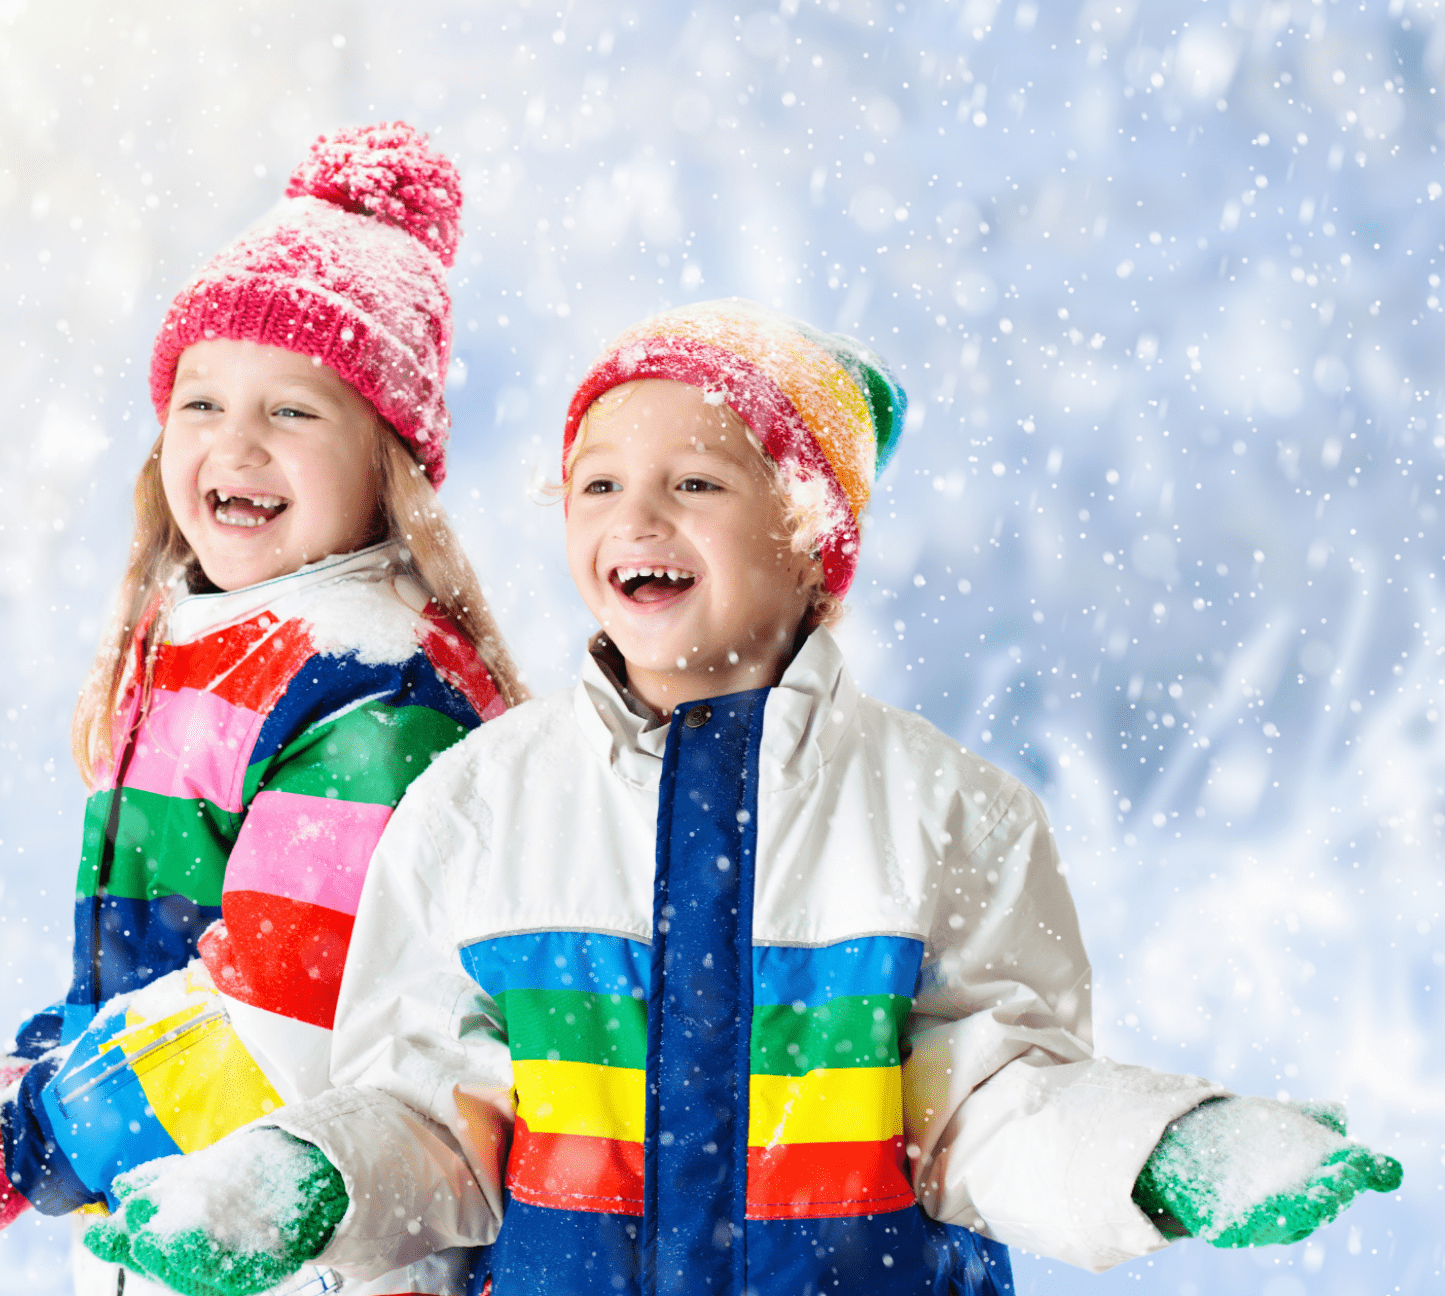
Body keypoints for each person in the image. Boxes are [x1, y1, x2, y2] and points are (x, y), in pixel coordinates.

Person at [75, 300, 1402, 1295]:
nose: (634, 516)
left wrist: (1161, 1149)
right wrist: (305, 1176)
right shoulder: (482, 809)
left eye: (695, 484)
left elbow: (991, 1106)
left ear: (810, 532)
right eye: (599, 484)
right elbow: (437, 1120)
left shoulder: (945, 816)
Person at [0, 122, 528, 1296]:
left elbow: (272, 1024)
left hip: (326, 1247)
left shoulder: (370, 697)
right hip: (200, 1224)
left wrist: (31, 1140)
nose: (235, 443)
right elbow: (160, 977)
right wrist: (40, 1069)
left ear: (389, 460)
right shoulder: (212, 642)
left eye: (293, 412)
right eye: (201, 402)